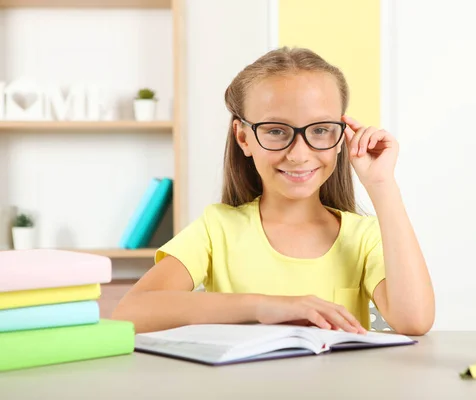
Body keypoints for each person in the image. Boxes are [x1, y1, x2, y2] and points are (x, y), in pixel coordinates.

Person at [112, 47, 435, 336]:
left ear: (340, 137)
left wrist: (382, 185)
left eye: (320, 130)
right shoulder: (217, 229)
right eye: (277, 131)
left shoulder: (363, 237)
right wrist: (264, 306)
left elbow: (415, 320)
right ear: (243, 138)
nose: (298, 154)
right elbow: (131, 313)